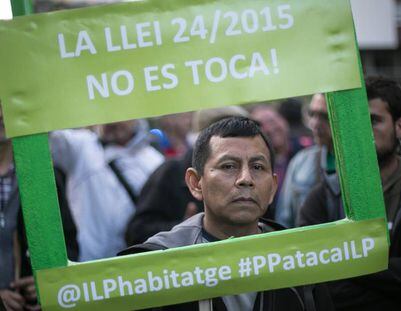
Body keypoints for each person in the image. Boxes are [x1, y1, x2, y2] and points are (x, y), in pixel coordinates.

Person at [121, 117, 334, 310]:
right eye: (229, 166)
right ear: (195, 183)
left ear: (273, 188)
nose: (245, 179)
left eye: (258, 167)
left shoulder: (301, 264)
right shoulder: (156, 268)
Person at [298, 77, 401, 310]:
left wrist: (348, 267)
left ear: (400, 126)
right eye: (355, 120)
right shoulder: (322, 197)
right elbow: (313, 279)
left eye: (373, 120)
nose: (362, 131)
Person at [125, 106, 249, 245]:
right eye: (230, 133)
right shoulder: (171, 172)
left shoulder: (250, 175)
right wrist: (185, 228)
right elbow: (137, 232)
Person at [50, 119, 163, 261]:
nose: (111, 120)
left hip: (136, 265)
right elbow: (48, 136)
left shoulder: (154, 161)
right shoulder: (82, 145)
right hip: (87, 265)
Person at [0, 107, 78, 310]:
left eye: (4, 103)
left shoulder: (42, 175)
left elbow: (67, 244)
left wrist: (51, 280)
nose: (1, 114)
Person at [276, 94, 335, 228]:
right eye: (312, 114)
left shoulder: (365, 163)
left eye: (325, 116)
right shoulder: (300, 162)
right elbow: (284, 220)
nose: (314, 123)